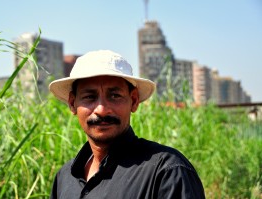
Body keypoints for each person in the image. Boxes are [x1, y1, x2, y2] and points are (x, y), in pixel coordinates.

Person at [49, 50, 205, 199]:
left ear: (134, 101)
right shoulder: (65, 178)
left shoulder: (167, 171)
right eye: (89, 97)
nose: (102, 110)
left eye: (115, 96)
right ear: (72, 103)